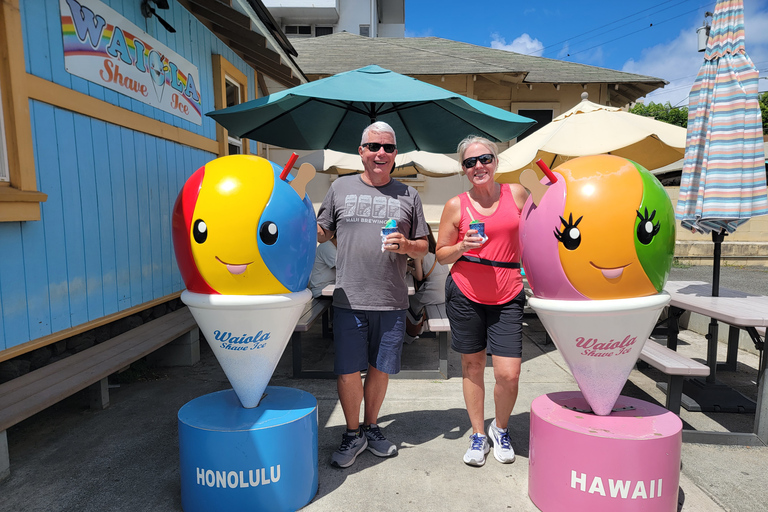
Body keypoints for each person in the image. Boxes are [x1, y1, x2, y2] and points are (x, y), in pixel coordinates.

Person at [316, 121, 429, 468]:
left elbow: (424, 247)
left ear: (395, 155)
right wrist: (298, 212)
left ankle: (371, 426)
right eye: (374, 146)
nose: (381, 153)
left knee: (380, 368)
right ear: (361, 151)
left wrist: (408, 245)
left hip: (391, 298)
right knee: (348, 370)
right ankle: (353, 434)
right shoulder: (339, 188)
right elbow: (322, 233)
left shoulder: (409, 195)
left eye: (388, 148)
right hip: (349, 297)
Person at [435, 135, 529, 467]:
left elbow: (542, 228)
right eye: (470, 162)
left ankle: (499, 428)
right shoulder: (456, 205)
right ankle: (477, 434)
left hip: (507, 294)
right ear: (463, 169)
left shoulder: (516, 194)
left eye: (485, 159)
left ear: (496, 161)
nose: (479, 166)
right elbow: (441, 255)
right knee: (473, 366)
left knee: (509, 374)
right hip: (466, 293)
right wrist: (462, 247)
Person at [405, 224, 448, 342]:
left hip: (433, 294)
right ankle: (418, 329)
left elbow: (418, 277)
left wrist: (409, 270)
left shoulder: (420, 253)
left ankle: (410, 335)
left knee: (407, 302)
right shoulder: (437, 251)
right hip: (445, 293)